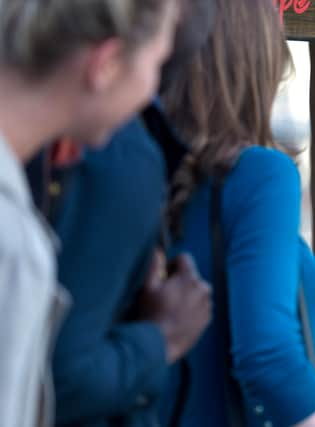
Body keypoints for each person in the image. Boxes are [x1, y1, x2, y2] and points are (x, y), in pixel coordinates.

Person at [160, 1, 315, 426]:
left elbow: (216, 349)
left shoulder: (141, 161)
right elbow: (267, 360)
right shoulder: (258, 173)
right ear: (256, 55)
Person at [24, 1, 217, 425]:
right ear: (107, 62)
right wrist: (162, 339)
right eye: (154, 59)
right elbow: (59, 381)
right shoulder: (120, 155)